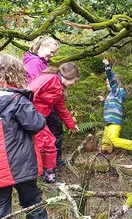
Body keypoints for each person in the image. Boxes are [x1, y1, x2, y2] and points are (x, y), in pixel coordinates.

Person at [0, 54, 48, 218]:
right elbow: (36, 123)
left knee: (1, 206)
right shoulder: (16, 100)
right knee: (32, 202)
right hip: (21, 164)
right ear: (15, 74)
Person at [27, 62, 80, 184]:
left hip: (38, 118)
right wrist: (26, 113)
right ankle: (35, 176)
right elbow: (30, 90)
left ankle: (47, 176)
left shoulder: (58, 85)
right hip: (32, 116)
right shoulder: (50, 78)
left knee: (49, 143)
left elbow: (61, 108)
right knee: (42, 144)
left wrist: (71, 125)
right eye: (74, 81)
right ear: (70, 76)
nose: (73, 84)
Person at [23, 36, 65, 166]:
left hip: (42, 103)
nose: (52, 55)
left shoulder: (41, 61)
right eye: (51, 52)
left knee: (53, 128)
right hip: (37, 104)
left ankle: (52, 161)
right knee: (49, 131)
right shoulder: (34, 62)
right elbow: (35, 85)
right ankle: (48, 163)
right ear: (42, 47)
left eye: (54, 53)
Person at [98, 59, 132, 155]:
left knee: (112, 140)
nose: (107, 84)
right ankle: (105, 155)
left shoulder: (117, 91)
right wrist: (103, 101)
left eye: (108, 82)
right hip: (108, 121)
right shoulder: (111, 94)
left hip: (114, 120)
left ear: (115, 83)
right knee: (105, 143)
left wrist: (107, 67)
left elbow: (112, 79)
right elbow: (107, 108)